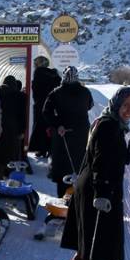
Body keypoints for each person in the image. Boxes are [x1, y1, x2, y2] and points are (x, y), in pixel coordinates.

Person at [60, 86, 130, 260]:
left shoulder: (111, 123)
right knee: (101, 243)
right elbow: (101, 161)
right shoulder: (108, 126)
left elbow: (112, 157)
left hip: (95, 187)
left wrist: (129, 153)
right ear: (117, 103)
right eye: (126, 105)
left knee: (90, 241)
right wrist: (103, 192)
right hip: (99, 189)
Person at [43, 66, 93, 198]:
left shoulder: (56, 92)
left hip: (62, 134)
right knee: (80, 167)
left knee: (62, 169)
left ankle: (62, 199)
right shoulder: (85, 92)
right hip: (81, 134)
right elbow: (89, 106)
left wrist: (57, 123)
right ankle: (78, 200)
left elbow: (46, 112)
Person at [0, 75, 27, 181]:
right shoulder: (21, 96)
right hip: (14, 129)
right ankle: (10, 175)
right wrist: (22, 130)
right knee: (12, 153)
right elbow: (23, 115)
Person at [30, 56, 61, 157]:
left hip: (40, 104)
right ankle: (50, 148)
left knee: (39, 127)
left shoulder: (38, 72)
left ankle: (41, 149)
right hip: (52, 103)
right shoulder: (53, 74)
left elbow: (36, 88)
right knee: (50, 125)